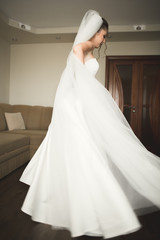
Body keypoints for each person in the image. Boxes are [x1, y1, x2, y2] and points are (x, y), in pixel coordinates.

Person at [20, 10, 160, 239]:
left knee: (86, 148)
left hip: (79, 102)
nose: (104, 40)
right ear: (94, 33)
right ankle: (90, 206)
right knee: (84, 149)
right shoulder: (80, 47)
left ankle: (81, 201)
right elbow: (75, 80)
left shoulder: (88, 49)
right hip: (73, 104)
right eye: (103, 36)